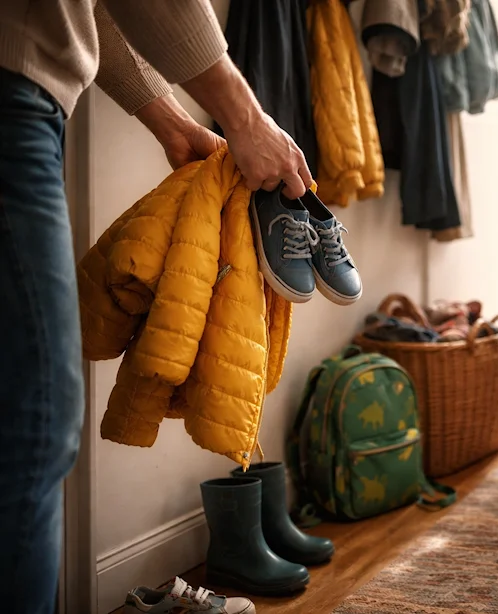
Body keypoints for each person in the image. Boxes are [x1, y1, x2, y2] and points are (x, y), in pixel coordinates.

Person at [0, 2, 313, 612]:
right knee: (34, 424)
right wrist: (246, 118)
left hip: (25, 100)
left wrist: (170, 122)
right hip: (14, 105)